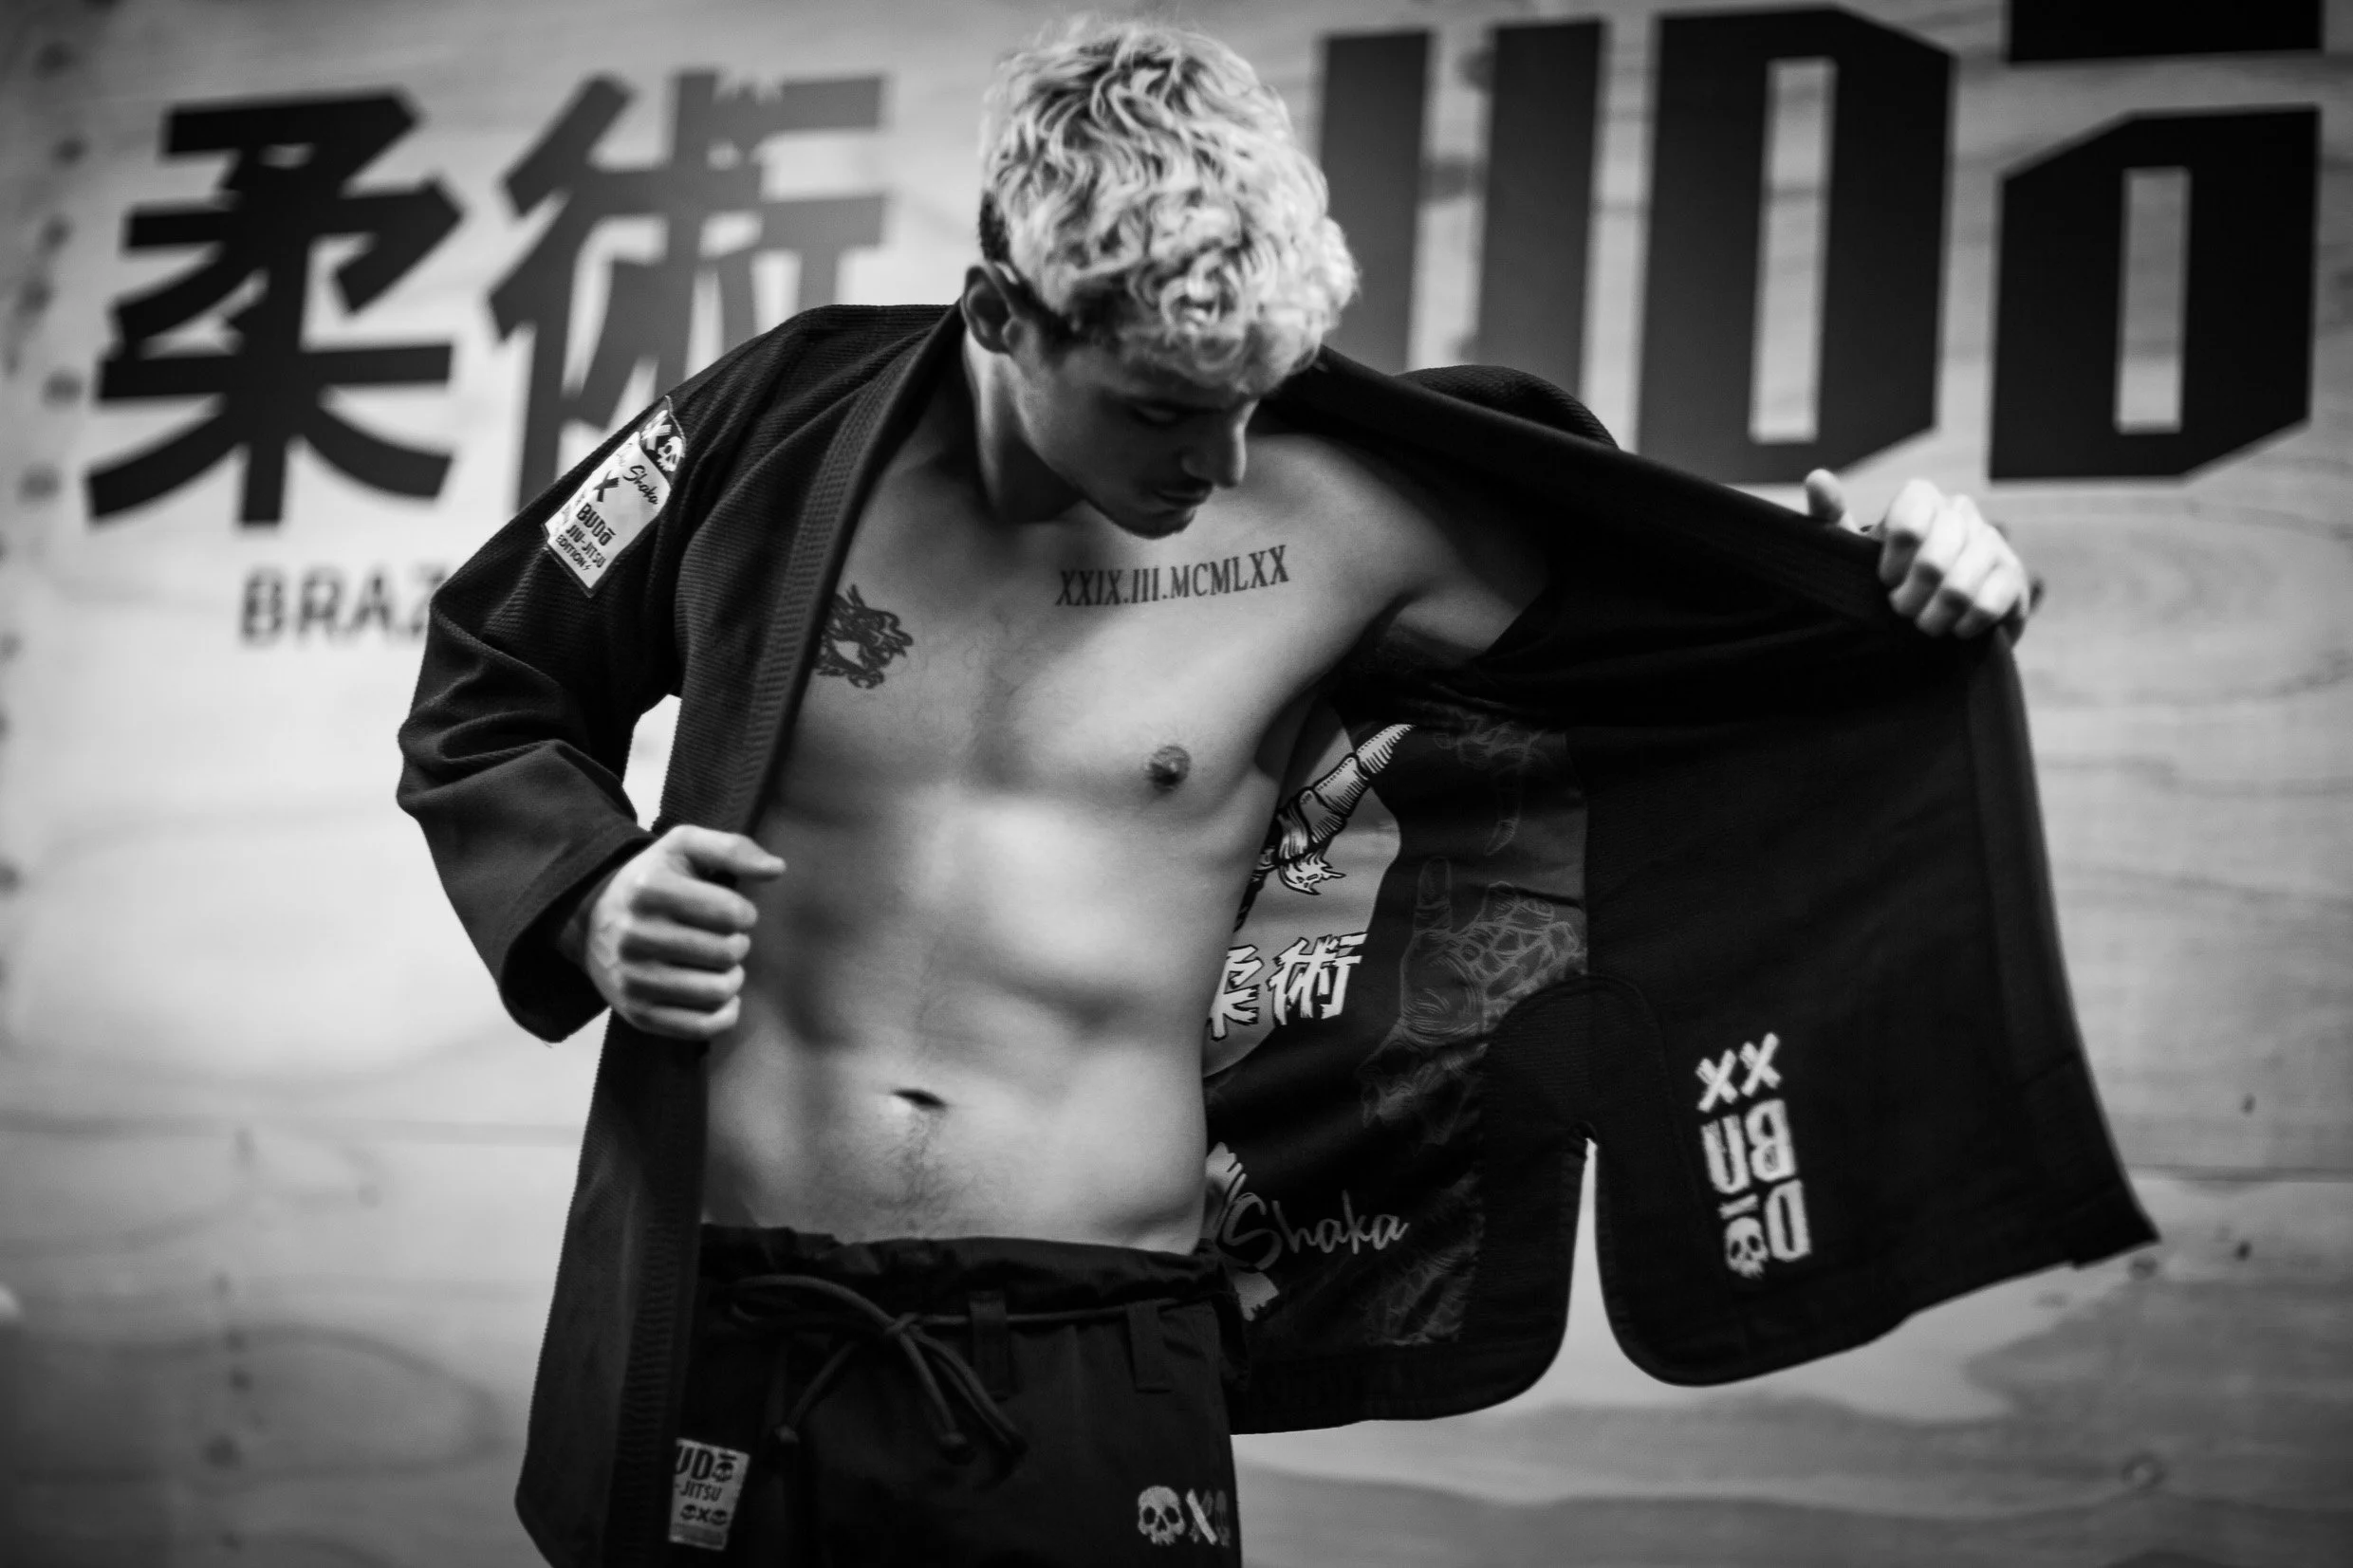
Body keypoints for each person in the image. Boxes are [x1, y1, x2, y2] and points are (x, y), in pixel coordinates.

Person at [400, 19, 2149, 1567]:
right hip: (734, 1315)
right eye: (1167, 409)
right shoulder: (768, 439)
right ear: (1003, 312)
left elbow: (1742, 648)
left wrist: (1918, 571)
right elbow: (494, 669)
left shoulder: (1347, 515)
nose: (1219, 460)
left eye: (1251, 399)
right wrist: (591, 895)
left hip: (1092, 1343)